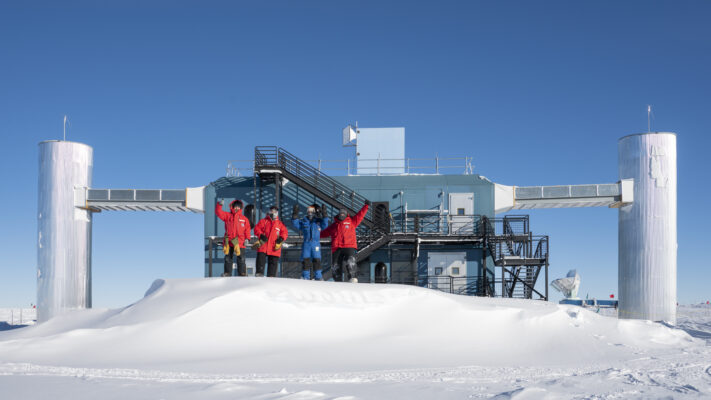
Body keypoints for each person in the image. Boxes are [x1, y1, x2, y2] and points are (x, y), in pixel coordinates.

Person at [320, 200, 370, 283]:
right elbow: (324, 233)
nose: (342, 215)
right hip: (336, 248)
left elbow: (360, 215)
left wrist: (366, 206)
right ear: (338, 215)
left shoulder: (352, 222)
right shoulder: (334, 225)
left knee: (351, 262)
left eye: (343, 214)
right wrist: (313, 235)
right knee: (335, 265)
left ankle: (353, 278)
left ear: (346, 214)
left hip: (349, 246)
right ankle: (338, 280)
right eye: (340, 214)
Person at [292, 203, 329, 280]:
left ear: (314, 212)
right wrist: (295, 214)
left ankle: (318, 277)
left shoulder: (318, 221)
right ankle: (305, 276)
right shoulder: (304, 221)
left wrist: (324, 213)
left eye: (311, 211)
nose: (309, 213)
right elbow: (296, 224)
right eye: (308, 211)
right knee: (305, 260)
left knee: (317, 260)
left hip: (315, 244)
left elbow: (325, 224)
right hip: (306, 243)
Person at [215, 199, 251, 277]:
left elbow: (247, 229)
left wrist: (247, 239)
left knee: (241, 258)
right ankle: (227, 273)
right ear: (232, 207)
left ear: (241, 208)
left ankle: (242, 273)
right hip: (229, 241)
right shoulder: (228, 216)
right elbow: (218, 213)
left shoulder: (244, 219)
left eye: (238, 207)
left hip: (240, 242)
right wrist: (219, 205)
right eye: (235, 206)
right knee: (228, 258)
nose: (237, 208)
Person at [253, 205, 288, 277]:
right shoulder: (264, 221)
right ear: (269, 211)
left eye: (275, 211)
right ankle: (259, 274)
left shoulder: (280, 224)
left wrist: (281, 238)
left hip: (274, 246)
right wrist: (261, 235)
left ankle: (271, 277)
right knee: (260, 260)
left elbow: (285, 233)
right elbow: (256, 228)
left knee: (273, 263)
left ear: (277, 212)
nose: (273, 212)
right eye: (272, 210)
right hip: (263, 245)